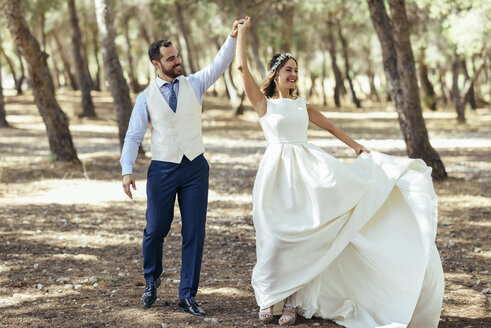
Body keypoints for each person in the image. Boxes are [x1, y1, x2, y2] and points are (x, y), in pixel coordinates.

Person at [236, 17, 444, 327]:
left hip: (307, 171)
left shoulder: (301, 105)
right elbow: (241, 69)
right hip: (275, 175)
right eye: (288, 70)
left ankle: (292, 301)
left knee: (304, 233)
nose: (293, 74)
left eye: (296, 70)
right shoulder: (263, 104)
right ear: (275, 75)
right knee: (275, 236)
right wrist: (241, 34)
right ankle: (270, 297)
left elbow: (331, 126)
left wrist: (356, 146)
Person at [120, 18, 245, 316]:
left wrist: (232, 37)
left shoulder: (194, 84)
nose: (178, 61)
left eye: (178, 56)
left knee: (194, 233)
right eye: (171, 58)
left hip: (195, 169)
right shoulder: (145, 97)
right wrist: (127, 169)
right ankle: (152, 279)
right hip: (162, 169)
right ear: (156, 63)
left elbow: (219, 64)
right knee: (154, 231)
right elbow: (134, 135)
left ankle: (187, 295)